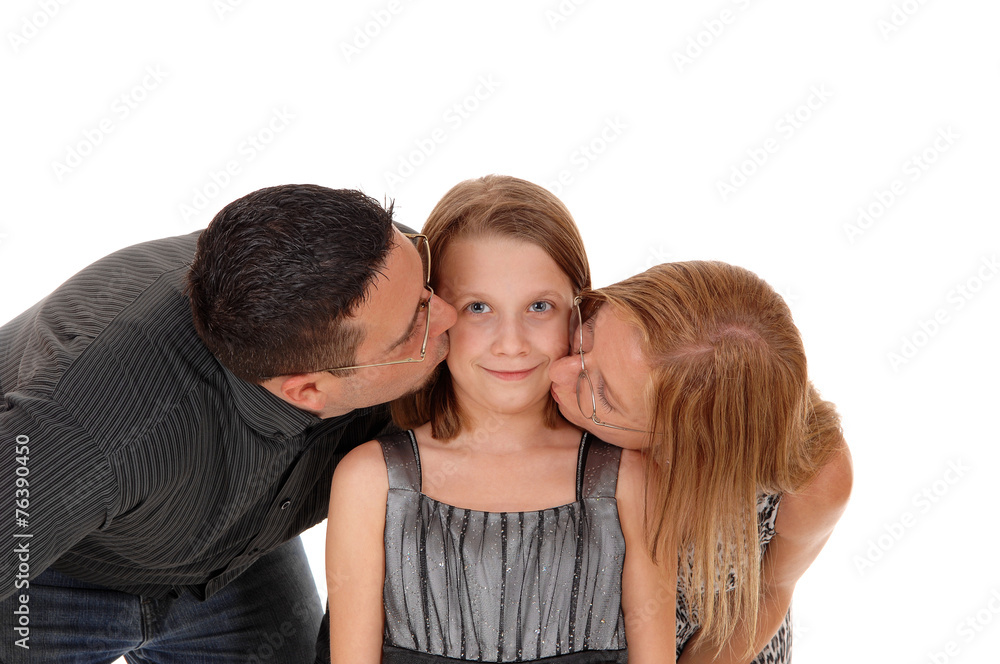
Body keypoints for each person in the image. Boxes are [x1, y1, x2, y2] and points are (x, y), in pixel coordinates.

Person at [0, 184, 456, 662]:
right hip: (54, 565)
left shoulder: (380, 279)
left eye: (423, 284)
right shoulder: (94, 423)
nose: (447, 312)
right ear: (307, 391)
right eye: (416, 326)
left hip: (229, 551)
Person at [325, 175, 676, 664]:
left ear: (579, 311)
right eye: (478, 307)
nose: (511, 343)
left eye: (539, 306)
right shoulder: (371, 481)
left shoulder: (626, 479)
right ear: (435, 313)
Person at [549, 260, 853, 663]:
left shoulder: (814, 474)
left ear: (682, 450)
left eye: (602, 396)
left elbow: (770, 590)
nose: (558, 370)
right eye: (585, 335)